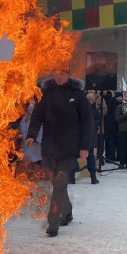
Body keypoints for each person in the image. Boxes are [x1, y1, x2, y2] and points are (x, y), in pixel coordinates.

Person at [26, 66, 92, 237]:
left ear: (68, 74)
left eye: (62, 73)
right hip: (49, 147)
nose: (59, 76)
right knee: (57, 183)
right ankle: (68, 211)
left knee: (59, 183)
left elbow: (87, 122)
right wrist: (32, 134)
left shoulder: (77, 95)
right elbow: (37, 116)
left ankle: (53, 221)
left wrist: (84, 146)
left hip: (69, 149)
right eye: (56, 73)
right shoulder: (47, 94)